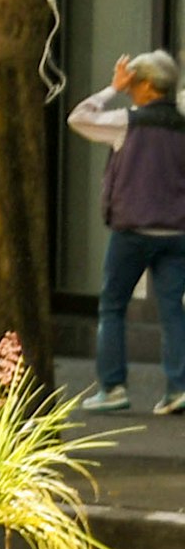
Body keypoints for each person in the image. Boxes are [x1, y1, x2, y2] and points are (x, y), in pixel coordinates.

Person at [71, 50, 185, 416]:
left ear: (149, 86)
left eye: (134, 83)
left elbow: (79, 118)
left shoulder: (127, 122)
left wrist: (110, 89)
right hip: (177, 232)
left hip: (133, 230)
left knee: (112, 306)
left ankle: (113, 387)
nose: (130, 89)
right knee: (173, 311)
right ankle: (179, 388)